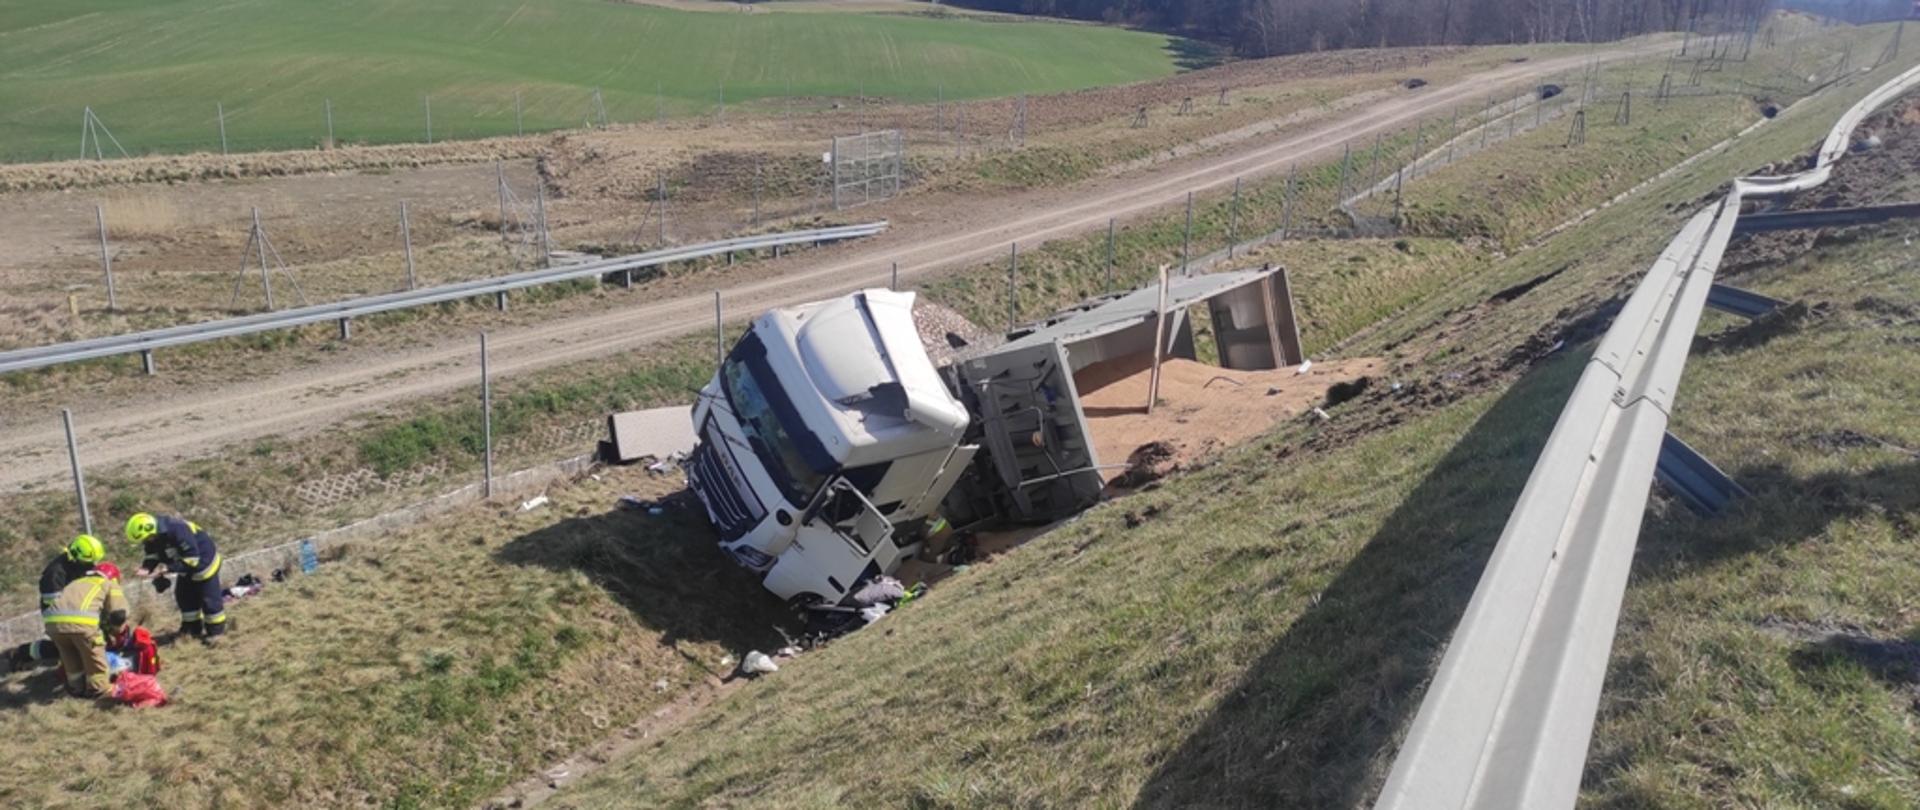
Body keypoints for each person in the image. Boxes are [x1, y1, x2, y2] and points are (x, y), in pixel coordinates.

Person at [42, 536, 128, 697]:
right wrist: (117, 632)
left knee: (71, 658)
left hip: (54, 625)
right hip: (81, 625)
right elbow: (118, 614)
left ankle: (76, 688)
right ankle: (100, 690)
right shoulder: (109, 583)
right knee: (94, 660)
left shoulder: (77, 581)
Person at [124, 512, 228, 642]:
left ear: (151, 530)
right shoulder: (153, 537)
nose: (146, 542)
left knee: (209, 601)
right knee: (184, 597)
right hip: (184, 567)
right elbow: (153, 554)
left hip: (204, 565)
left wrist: (168, 568)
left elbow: (192, 559)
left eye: (146, 539)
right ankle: (191, 630)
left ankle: (216, 632)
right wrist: (147, 568)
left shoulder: (178, 529)